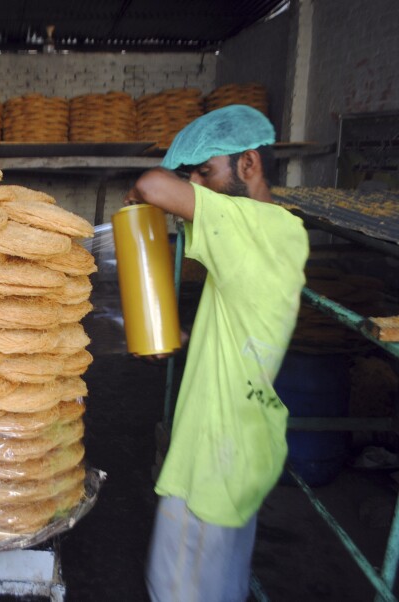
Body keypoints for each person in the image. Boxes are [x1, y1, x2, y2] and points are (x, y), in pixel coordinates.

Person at [123, 105, 309, 601]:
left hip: (213, 458)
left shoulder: (257, 226)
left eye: (207, 172)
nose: (199, 187)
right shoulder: (274, 235)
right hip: (243, 446)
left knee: (182, 591)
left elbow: (151, 185)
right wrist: (178, 337)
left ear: (249, 164)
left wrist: (142, 195)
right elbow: (242, 324)